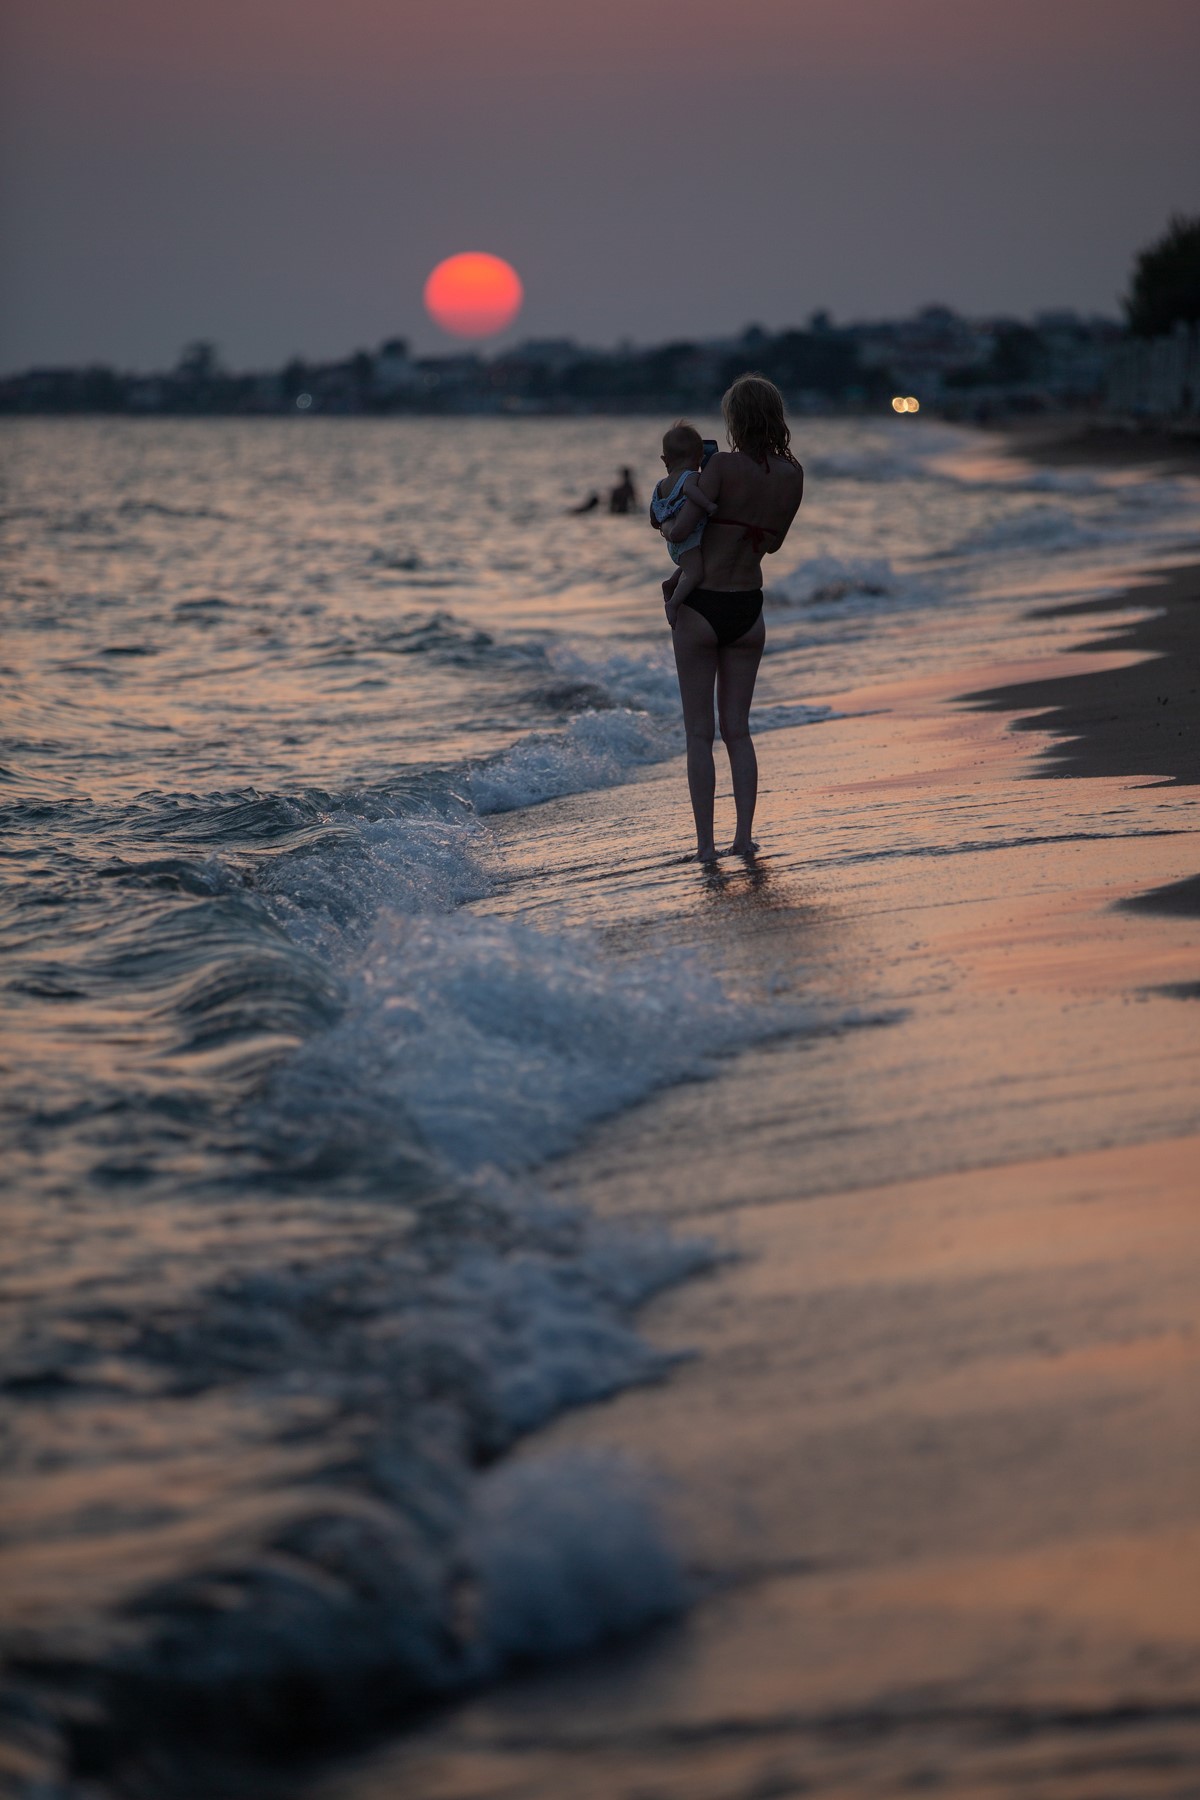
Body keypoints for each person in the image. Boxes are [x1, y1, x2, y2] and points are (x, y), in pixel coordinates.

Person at [655, 373, 804, 862]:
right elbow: (774, 543)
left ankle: (705, 847)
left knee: (699, 734)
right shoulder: (792, 475)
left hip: (702, 608)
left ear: (734, 419)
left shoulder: (719, 466)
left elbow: (682, 527)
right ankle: (744, 838)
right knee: (738, 730)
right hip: (748, 607)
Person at [649, 423, 719, 626]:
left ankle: (671, 583)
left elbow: (654, 515)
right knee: (695, 573)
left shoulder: (661, 484)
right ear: (700, 458)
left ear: (665, 459)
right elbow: (690, 491)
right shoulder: (692, 476)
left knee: (690, 565)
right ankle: (673, 603)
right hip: (688, 539)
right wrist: (708, 504)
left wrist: (659, 523)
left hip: (674, 544)